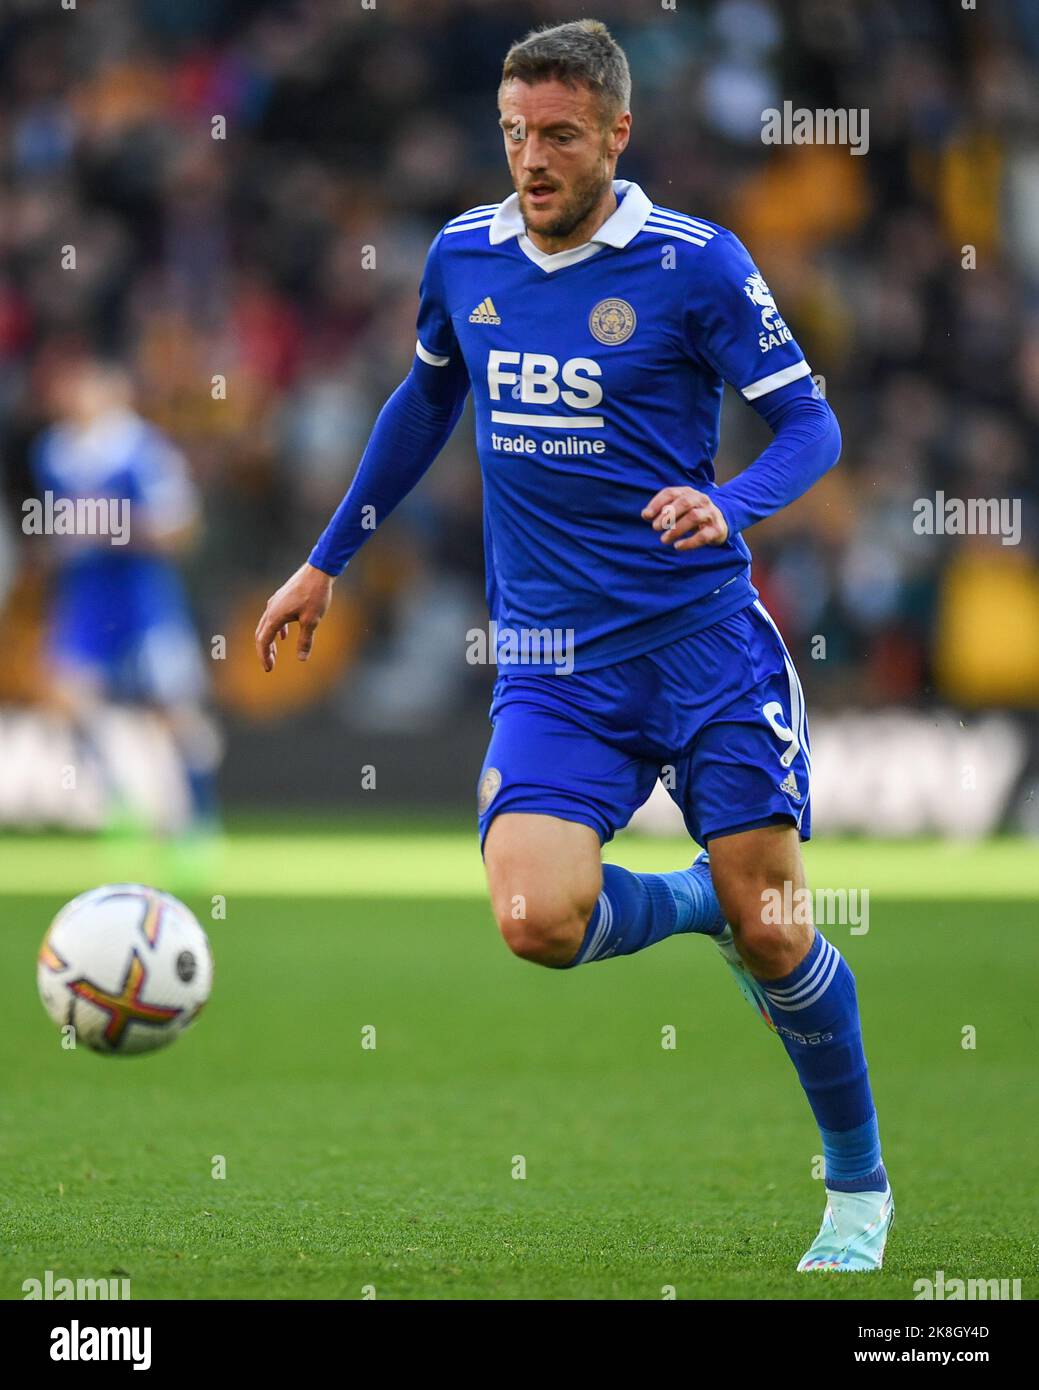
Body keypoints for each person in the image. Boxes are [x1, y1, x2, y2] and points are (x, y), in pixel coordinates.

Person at [255, 19, 891, 1271]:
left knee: (776, 933)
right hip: (555, 664)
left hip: (705, 645)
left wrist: (732, 502)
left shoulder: (694, 265)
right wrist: (326, 559)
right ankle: (690, 898)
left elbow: (809, 427)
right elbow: (423, 399)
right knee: (533, 917)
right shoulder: (463, 257)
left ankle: (858, 1188)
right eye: (513, 134)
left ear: (615, 133)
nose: (530, 159)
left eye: (556, 135)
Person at [32, 358, 219, 835]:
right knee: (70, 704)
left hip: (142, 593)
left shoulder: (143, 449)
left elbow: (181, 529)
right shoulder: (53, 451)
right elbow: (52, 527)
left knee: (174, 710)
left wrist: (113, 528)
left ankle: (199, 823)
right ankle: (119, 809)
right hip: (86, 596)